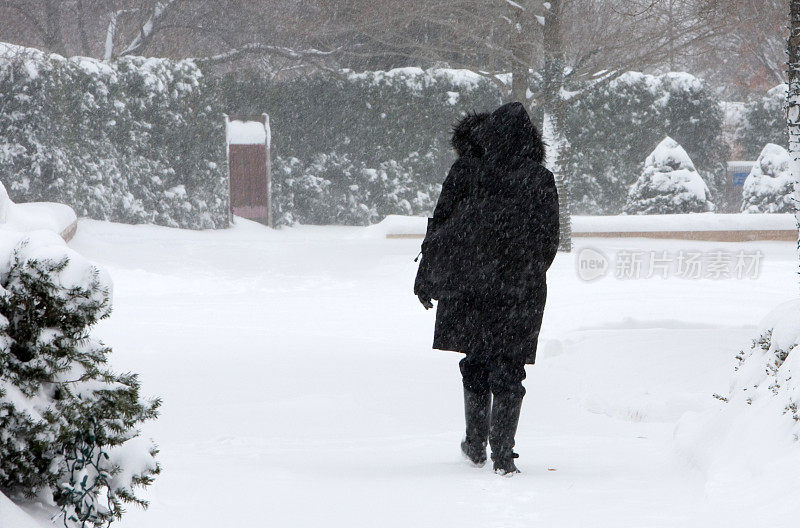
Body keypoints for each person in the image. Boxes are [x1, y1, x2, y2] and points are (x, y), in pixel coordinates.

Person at [414, 102, 559, 475]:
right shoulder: (539, 179)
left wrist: (430, 276)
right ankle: (504, 454)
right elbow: (548, 240)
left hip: (468, 285)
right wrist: (525, 273)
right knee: (509, 368)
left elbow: (441, 224)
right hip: (519, 291)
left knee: (475, 361)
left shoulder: (466, 171)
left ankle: (476, 443)